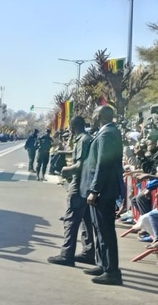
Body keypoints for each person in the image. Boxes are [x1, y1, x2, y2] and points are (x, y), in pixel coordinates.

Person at [81, 105, 123, 285]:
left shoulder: (108, 134)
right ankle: (102, 264)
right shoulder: (106, 132)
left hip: (103, 192)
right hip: (102, 190)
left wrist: (95, 190)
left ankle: (112, 271)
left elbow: (103, 164)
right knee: (99, 229)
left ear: (100, 116)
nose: (91, 117)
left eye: (94, 114)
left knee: (105, 231)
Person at [47, 116, 95, 267]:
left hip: (79, 184)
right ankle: (88, 252)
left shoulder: (83, 140)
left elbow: (80, 165)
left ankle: (67, 254)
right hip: (86, 184)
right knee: (86, 219)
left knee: (71, 219)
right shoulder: (87, 138)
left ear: (72, 127)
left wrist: (65, 169)